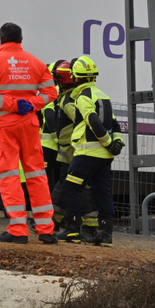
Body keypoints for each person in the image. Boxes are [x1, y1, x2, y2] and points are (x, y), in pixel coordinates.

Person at [0, 23, 59, 244]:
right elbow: (52, 92)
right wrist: (31, 104)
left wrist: (13, 105)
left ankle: (18, 229)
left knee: (9, 175)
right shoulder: (36, 62)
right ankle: (46, 230)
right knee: (37, 174)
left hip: (4, 125)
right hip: (29, 124)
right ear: (21, 38)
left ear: (1, 38)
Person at [52, 56, 124, 246]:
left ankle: (73, 230)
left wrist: (107, 142)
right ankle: (106, 235)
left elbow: (93, 121)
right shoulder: (104, 96)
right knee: (102, 193)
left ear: (76, 77)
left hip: (87, 153)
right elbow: (115, 124)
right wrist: (116, 143)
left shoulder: (82, 97)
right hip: (104, 157)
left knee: (70, 188)